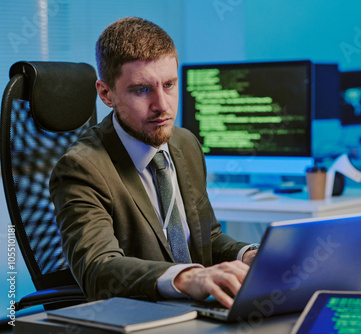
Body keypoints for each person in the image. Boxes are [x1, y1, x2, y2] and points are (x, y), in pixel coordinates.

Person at [49, 17, 258, 309]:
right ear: (106, 93)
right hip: (139, 315)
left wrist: (248, 254)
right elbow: (98, 269)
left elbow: (206, 239)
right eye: (141, 89)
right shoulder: (81, 168)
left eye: (169, 85)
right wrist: (187, 277)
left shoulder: (185, 143)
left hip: (196, 312)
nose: (162, 105)